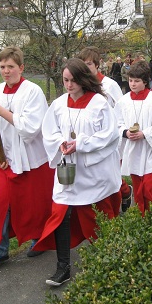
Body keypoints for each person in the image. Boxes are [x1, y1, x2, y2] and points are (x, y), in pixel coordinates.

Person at [33, 58, 121, 287]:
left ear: (83, 80)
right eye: (65, 81)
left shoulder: (99, 103)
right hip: (67, 172)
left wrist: (80, 144)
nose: (69, 85)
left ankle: (110, 260)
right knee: (60, 215)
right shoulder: (59, 104)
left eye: (73, 81)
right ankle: (63, 268)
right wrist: (61, 144)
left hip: (92, 172)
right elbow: (49, 132)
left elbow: (109, 135)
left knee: (96, 217)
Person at [0, 46, 54, 268]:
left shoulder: (33, 91)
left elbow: (32, 128)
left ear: (21, 68)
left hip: (30, 157)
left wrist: (2, 111)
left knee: (32, 203)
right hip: (4, 158)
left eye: (10, 67)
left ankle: (38, 239)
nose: (6, 71)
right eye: (2, 67)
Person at [77, 46, 132, 213]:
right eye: (83, 65)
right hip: (89, 136)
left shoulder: (109, 85)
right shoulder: (80, 86)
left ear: (97, 64)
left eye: (89, 64)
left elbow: (122, 107)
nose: (86, 69)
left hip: (110, 135)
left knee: (110, 171)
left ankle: (123, 194)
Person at [115, 61, 152, 215]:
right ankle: (142, 221)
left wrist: (144, 133)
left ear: (145, 82)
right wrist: (126, 132)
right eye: (131, 80)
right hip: (134, 151)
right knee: (139, 190)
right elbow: (116, 123)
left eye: (137, 81)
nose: (133, 84)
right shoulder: (123, 101)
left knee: (151, 189)